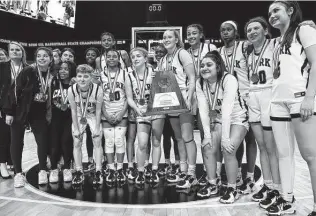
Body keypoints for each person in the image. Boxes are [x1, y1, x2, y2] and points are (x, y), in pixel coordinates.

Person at [267, 1, 316, 215]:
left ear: (290, 11)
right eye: (269, 12)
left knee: (311, 157)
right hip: (278, 101)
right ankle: (287, 199)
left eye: (276, 10)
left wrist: (309, 97)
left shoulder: (303, 29)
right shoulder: (276, 41)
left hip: (299, 99)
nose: (272, 15)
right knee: (283, 155)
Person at [196, 50, 248, 203]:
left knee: (228, 148)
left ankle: (233, 188)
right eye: (202, 65)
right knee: (207, 146)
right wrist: (206, 136)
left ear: (218, 67)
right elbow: (203, 111)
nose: (204, 68)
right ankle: (213, 183)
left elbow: (227, 110)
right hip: (219, 119)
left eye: (209, 65)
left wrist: (225, 138)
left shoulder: (228, 79)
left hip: (237, 118)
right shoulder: (200, 82)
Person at [241, 17, 282, 208]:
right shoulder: (248, 53)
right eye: (249, 30)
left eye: (256, 28)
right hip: (253, 96)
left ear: (266, 30)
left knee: (271, 146)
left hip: (269, 94)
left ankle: (279, 189)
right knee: (262, 146)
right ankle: (268, 184)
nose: (252, 32)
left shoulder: (274, 44)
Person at [152, 29, 197, 189]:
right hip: (170, 100)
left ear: (177, 39)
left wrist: (190, 96)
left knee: (187, 137)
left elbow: (192, 76)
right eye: (164, 37)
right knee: (178, 138)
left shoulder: (182, 53)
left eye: (169, 36)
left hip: (184, 97)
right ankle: (182, 169)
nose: (166, 39)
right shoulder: (163, 59)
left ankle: (192, 173)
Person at [4, 46, 53, 187]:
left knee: (42, 140)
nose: (41, 58)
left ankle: (43, 170)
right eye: (39, 56)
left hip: (38, 112)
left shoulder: (51, 73)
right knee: (17, 141)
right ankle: (18, 174)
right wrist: (9, 112)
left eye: (45, 56)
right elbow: (14, 91)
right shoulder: (28, 71)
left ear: (50, 59)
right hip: (21, 110)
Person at [218, 20, 257, 187]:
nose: (225, 32)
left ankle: (250, 175)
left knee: (251, 139)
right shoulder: (218, 52)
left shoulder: (245, 47)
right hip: (231, 101)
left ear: (235, 32)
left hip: (248, 98)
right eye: (222, 30)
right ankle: (239, 173)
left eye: (228, 30)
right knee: (237, 140)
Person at [186, 23, 217, 185]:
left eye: (194, 33)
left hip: (209, 94)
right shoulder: (185, 52)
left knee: (209, 132)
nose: (191, 36)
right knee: (189, 133)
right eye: (188, 33)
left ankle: (211, 170)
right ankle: (190, 170)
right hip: (192, 95)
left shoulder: (211, 47)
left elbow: (220, 68)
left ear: (201, 34)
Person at [68, 64, 103, 185]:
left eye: (86, 76)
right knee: (77, 141)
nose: (82, 79)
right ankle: (79, 171)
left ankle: (98, 170)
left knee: (97, 140)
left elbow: (98, 110)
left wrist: (97, 128)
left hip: (93, 115)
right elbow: (73, 110)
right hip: (79, 115)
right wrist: (76, 129)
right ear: (76, 77)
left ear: (91, 77)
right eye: (79, 76)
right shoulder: (71, 89)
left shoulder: (98, 89)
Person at [125, 47, 155, 184]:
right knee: (142, 143)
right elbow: (130, 98)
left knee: (156, 142)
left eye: (138, 56)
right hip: (140, 112)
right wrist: (137, 109)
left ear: (145, 58)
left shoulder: (154, 73)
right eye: (133, 57)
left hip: (155, 111)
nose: (135, 59)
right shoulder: (128, 75)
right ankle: (140, 171)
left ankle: (154, 169)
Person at [0, 42, 27, 180]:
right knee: (3, 137)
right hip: (4, 107)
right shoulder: (2, 66)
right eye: (12, 50)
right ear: (9, 52)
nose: (15, 52)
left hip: (21, 109)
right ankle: (2, 164)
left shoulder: (28, 68)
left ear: (22, 52)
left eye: (18, 49)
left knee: (17, 140)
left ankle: (16, 166)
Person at [101, 49, 128, 183]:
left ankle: (120, 169)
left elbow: (129, 96)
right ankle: (111, 169)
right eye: (109, 56)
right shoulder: (100, 75)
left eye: (114, 56)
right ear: (105, 58)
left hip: (121, 112)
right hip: (106, 112)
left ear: (119, 59)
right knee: (109, 141)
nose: (111, 58)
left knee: (119, 140)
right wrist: (105, 114)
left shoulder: (125, 74)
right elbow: (98, 98)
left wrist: (122, 113)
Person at [48, 61, 76, 183]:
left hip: (69, 118)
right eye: (60, 69)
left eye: (66, 69)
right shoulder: (53, 82)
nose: (63, 71)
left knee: (66, 142)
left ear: (71, 71)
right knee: (54, 144)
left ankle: (67, 168)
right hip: (54, 118)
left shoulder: (75, 84)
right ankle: (54, 168)